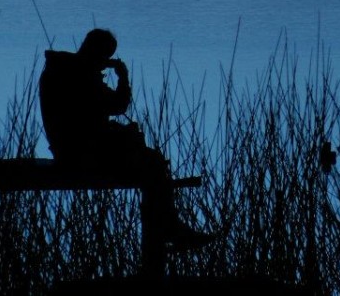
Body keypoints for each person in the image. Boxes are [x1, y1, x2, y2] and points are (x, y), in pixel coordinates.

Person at [38, 28, 211, 248]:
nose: (106, 62)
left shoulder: (62, 69)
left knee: (148, 158)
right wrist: (123, 78)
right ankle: (167, 227)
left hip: (70, 148)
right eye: (106, 56)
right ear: (98, 52)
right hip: (82, 154)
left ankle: (168, 226)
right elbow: (117, 105)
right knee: (152, 163)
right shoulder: (79, 74)